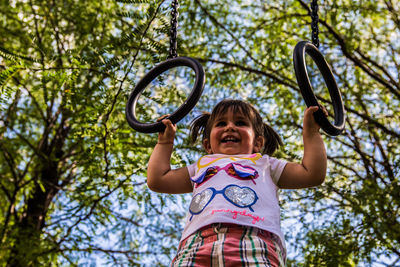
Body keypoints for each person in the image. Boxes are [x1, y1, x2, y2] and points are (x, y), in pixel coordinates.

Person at [147, 99, 327, 266]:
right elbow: (158, 180)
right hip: (197, 242)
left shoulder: (265, 165)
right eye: (221, 124)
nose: (230, 127)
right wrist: (165, 143)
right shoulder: (200, 166)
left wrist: (311, 133)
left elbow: (311, 173)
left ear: (257, 142)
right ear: (208, 145)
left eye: (240, 123)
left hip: (255, 239)